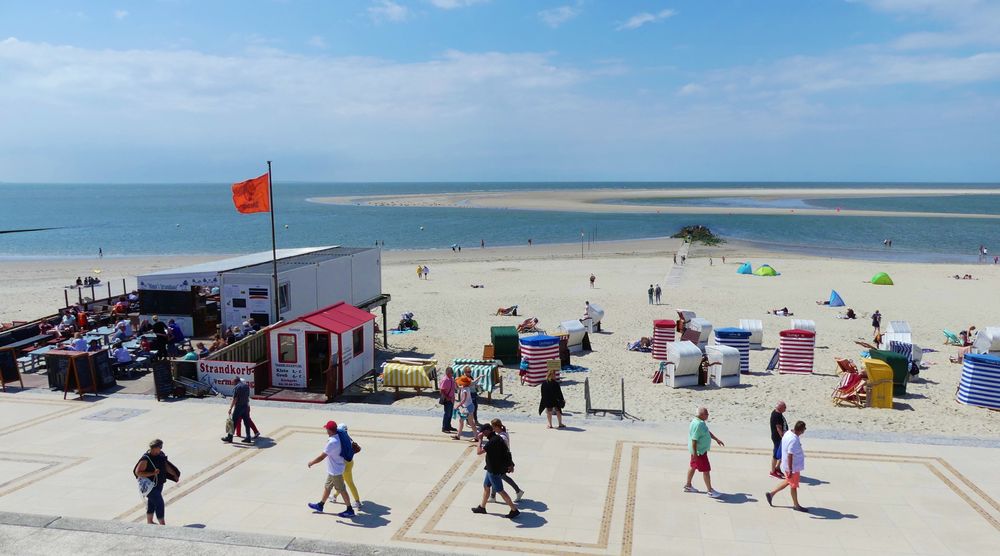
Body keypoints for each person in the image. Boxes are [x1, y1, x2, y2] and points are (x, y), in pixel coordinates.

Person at [306, 420, 355, 517]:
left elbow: (322, 457)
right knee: (327, 487)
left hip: (336, 471)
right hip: (333, 469)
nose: (326, 431)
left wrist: (312, 462)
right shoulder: (338, 436)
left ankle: (350, 510)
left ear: (330, 430)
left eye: (327, 429)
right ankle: (320, 505)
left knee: (342, 490)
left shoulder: (332, 442)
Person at [470, 424, 520, 519]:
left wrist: (480, 440)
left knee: (500, 491)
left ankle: (514, 510)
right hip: (490, 468)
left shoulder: (493, 441)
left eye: (483, 431)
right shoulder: (497, 438)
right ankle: (482, 507)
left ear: (488, 430)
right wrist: (510, 464)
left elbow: (479, 452)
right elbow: (506, 452)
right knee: (486, 486)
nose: (482, 433)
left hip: (494, 470)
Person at [133, 439, 180, 525]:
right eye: (160, 447)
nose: (161, 449)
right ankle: (162, 524)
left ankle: (149, 521)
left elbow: (166, 466)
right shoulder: (146, 459)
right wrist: (152, 473)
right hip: (149, 486)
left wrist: (174, 475)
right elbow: (138, 472)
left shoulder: (160, 455)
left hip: (159, 484)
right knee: (159, 503)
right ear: (154, 448)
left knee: (152, 502)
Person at [766, 421, 809, 512]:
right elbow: (790, 455)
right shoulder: (793, 440)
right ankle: (796, 505)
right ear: (801, 430)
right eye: (804, 429)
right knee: (793, 486)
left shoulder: (789, 433)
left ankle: (771, 494)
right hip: (793, 467)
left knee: (788, 481)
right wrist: (790, 469)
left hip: (786, 464)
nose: (805, 430)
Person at [684, 407, 724, 498]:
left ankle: (688, 486)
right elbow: (694, 440)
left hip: (696, 451)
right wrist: (695, 454)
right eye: (706, 414)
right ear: (701, 415)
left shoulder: (697, 421)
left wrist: (716, 439)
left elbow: (706, 432)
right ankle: (710, 491)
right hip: (699, 452)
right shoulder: (699, 424)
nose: (708, 415)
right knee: (706, 470)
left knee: (693, 466)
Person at [486, 418, 524, 502]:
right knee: (498, 477)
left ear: (496, 426)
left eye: (493, 427)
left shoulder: (502, 437)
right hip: (502, 460)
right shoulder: (503, 433)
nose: (492, 429)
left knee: (497, 477)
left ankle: (518, 491)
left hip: (502, 460)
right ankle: (493, 496)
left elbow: (503, 450)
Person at [330, 424, 362, 511]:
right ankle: (334, 496)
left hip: (345, 464)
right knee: (342, 481)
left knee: (349, 483)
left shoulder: (341, 440)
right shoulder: (348, 438)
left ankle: (357, 501)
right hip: (350, 462)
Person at [222, 377, 254, 444]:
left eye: (232, 382)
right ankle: (248, 437)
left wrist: (230, 408)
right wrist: (248, 405)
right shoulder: (246, 386)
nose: (232, 384)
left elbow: (235, 399)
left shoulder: (237, 387)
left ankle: (229, 438)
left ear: (236, 381)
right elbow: (247, 397)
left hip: (239, 407)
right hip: (245, 407)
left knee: (233, 422)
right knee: (246, 422)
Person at [453, 375, 477, 440]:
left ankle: (476, 437)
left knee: (470, 422)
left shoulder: (465, 390)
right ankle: (458, 435)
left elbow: (464, 400)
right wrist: (455, 381)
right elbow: (457, 387)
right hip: (468, 406)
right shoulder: (465, 387)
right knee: (463, 421)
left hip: (468, 407)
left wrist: (457, 405)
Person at [769, 401, 788, 479]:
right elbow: (778, 428)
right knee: (776, 455)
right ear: (780, 407)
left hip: (780, 438)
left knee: (782, 454)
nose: (785, 409)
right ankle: (773, 471)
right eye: (784, 407)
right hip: (778, 438)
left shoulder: (778, 413)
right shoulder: (777, 415)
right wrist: (783, 438)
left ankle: (777, 468)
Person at [439, 367, 456, 433]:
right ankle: (444, 428)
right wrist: (447, 397)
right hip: (447, 399)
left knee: (450, 414)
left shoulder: (451, 379)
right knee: (447, 414)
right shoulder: (445, 380)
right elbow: (441, 390)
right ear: (447, 373)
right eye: (450, 373)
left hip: (451, 399)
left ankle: (448, 426)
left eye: (452, 373)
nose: (451, 374)